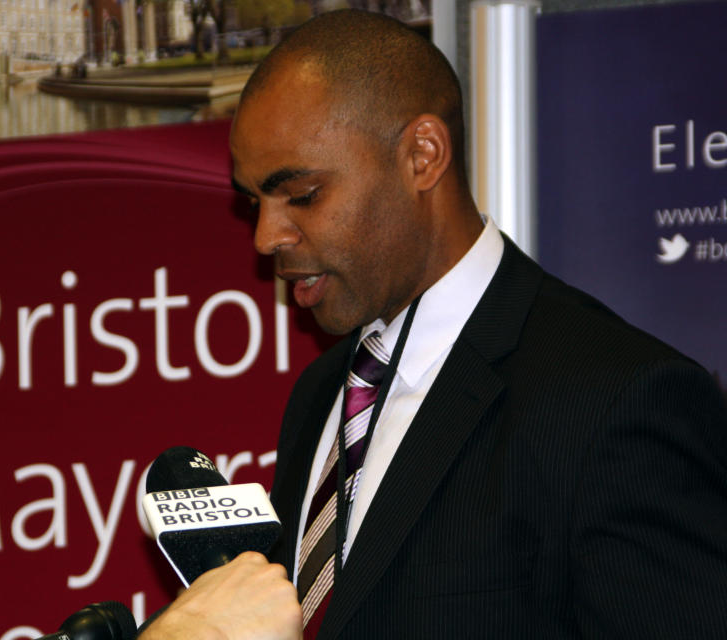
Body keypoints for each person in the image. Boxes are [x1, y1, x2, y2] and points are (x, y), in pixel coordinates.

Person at [141, 9, 727, 639]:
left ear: (422, 155)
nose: (265, 237)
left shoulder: (615, 402)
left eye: (303, 195)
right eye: (254, 202)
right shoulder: (320, 396)